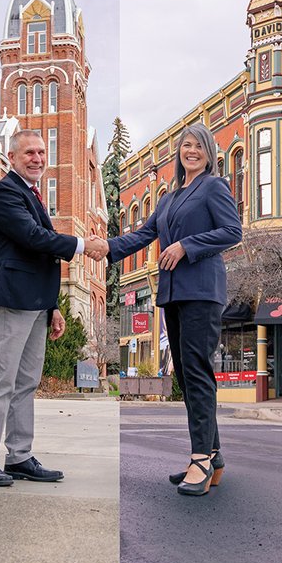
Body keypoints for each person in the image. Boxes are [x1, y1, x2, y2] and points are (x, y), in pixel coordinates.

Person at [86, 123, 242, 496]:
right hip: (173, 294)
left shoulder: (214, 187)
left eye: (198, 146)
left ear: (209, 153)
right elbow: (143, 235)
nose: (191, 151)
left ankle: (201, 459)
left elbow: (232, 231)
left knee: (198, 373)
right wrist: (107, 247)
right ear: (179, 152)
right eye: (186, 145)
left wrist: (187, 245)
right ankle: (213, 457)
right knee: (188, 377)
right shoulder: (169, 199)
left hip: (202, 291)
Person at [0, 129, 85, 487]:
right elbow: (33, 239)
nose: (37, 158)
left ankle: (19, 455)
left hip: (37, 303)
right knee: (2, 379)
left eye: (40, 152)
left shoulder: (33, 194)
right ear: (13, 157)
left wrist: (53, 306)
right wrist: (82, 244)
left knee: (27, 382)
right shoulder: (5, 192)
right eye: (29, 153)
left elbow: (41, 256)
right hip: (13, 298)